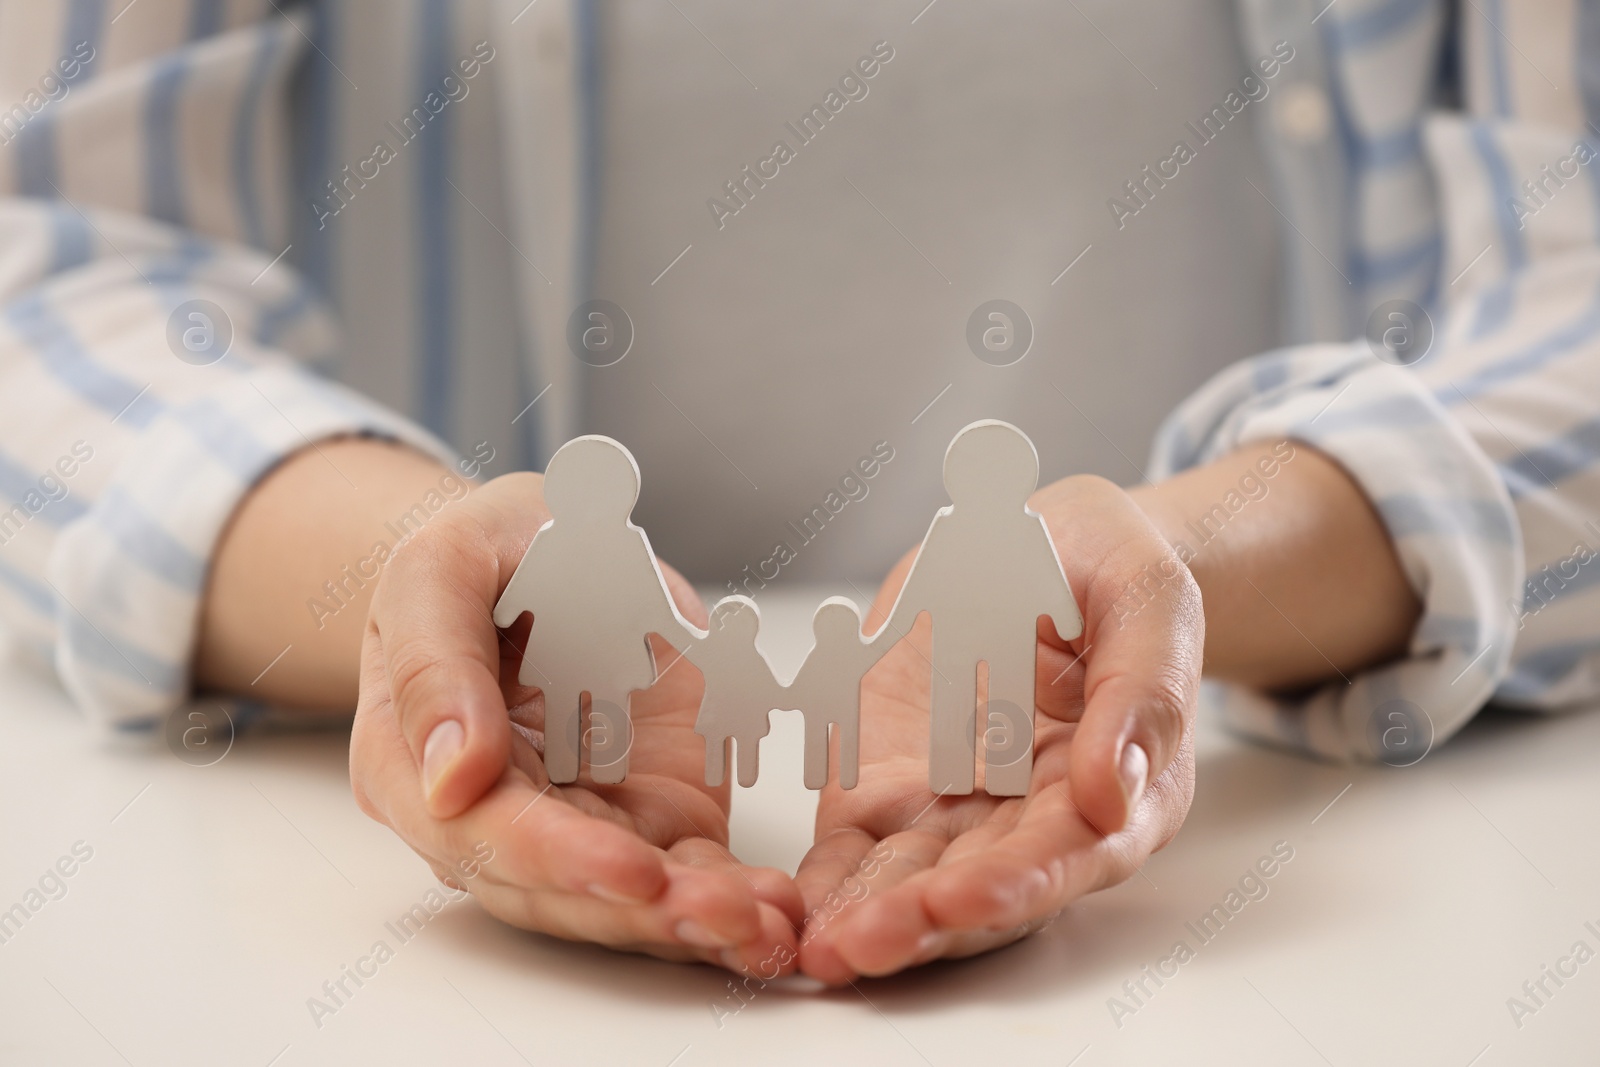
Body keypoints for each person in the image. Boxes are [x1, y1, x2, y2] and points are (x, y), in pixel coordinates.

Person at [1, 0, 1597, 986]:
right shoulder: (586, 582)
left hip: (1147, 729)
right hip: (581, 710)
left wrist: (1195, 566)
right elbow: (53, 279)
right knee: (712, 706)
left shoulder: (1000, 570)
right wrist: (404, 574)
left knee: (950, 705)